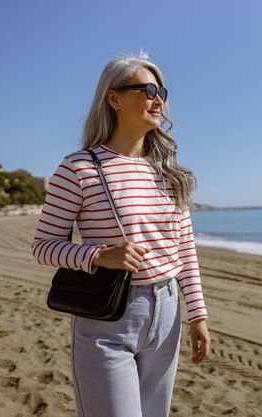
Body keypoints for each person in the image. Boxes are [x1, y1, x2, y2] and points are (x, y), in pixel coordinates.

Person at [31, 50, 210, 417]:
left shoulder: (168, 173)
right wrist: (97, 255)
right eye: (146, 89)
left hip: (168, 312)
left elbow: (184, 251)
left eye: (162, 91)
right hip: (108, 318)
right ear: (113, 98)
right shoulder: (79, 168)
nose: (157, 98)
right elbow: (43, 246)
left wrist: (198, 315)